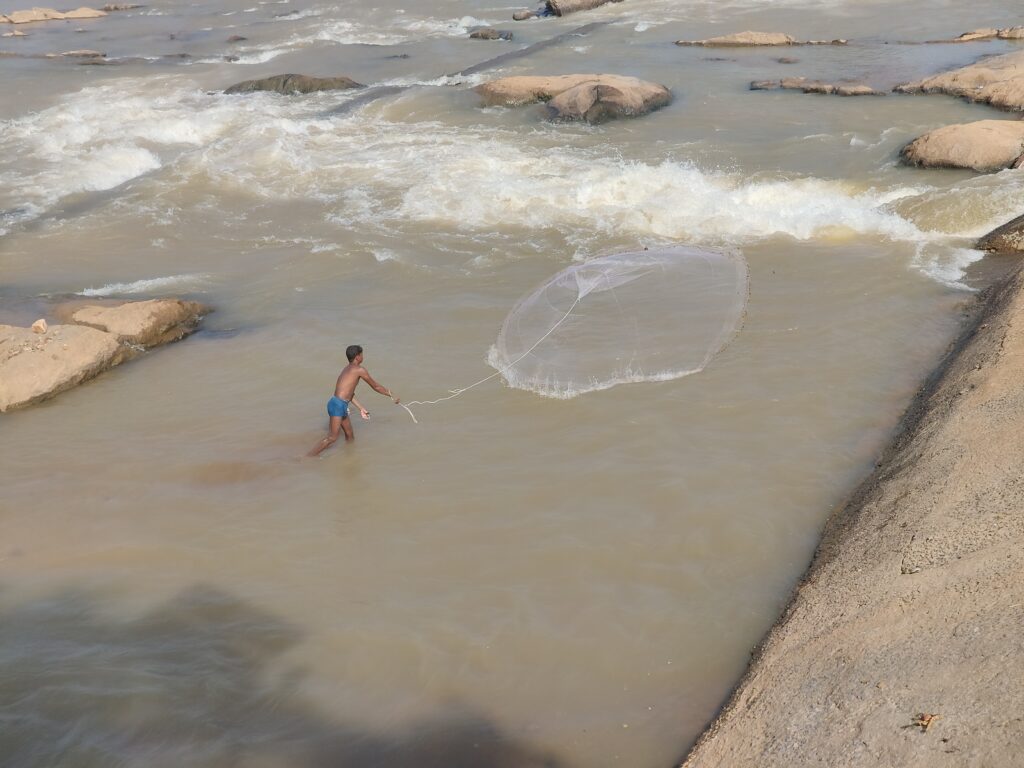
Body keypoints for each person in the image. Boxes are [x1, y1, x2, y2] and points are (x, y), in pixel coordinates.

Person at [308, 344, 399, 456]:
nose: (363, 356)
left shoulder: (347, 369)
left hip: (338, 404)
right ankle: (306, 457)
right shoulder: (359, 370)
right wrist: (391, 394)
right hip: (338, 405)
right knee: (332, 438)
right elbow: (376, 386)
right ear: (357, 357)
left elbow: (348, 394)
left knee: (350, 436)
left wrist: (361, 408)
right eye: (362, 354)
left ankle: (349, 458)